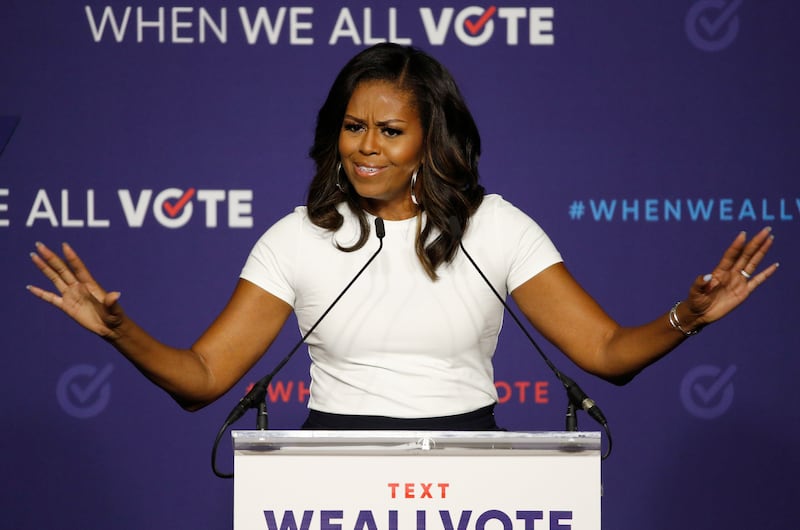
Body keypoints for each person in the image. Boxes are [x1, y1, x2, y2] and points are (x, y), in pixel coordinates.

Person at [28, 43, 778, 431]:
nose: (366, 147)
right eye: (354, 127)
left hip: (473, 472)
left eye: (390, 131)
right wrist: (119, 332)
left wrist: (689, 318)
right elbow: (201, 379)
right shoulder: (298, 238)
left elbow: (607, 355)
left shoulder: (496, 226)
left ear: (431, 139)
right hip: (326, 476)